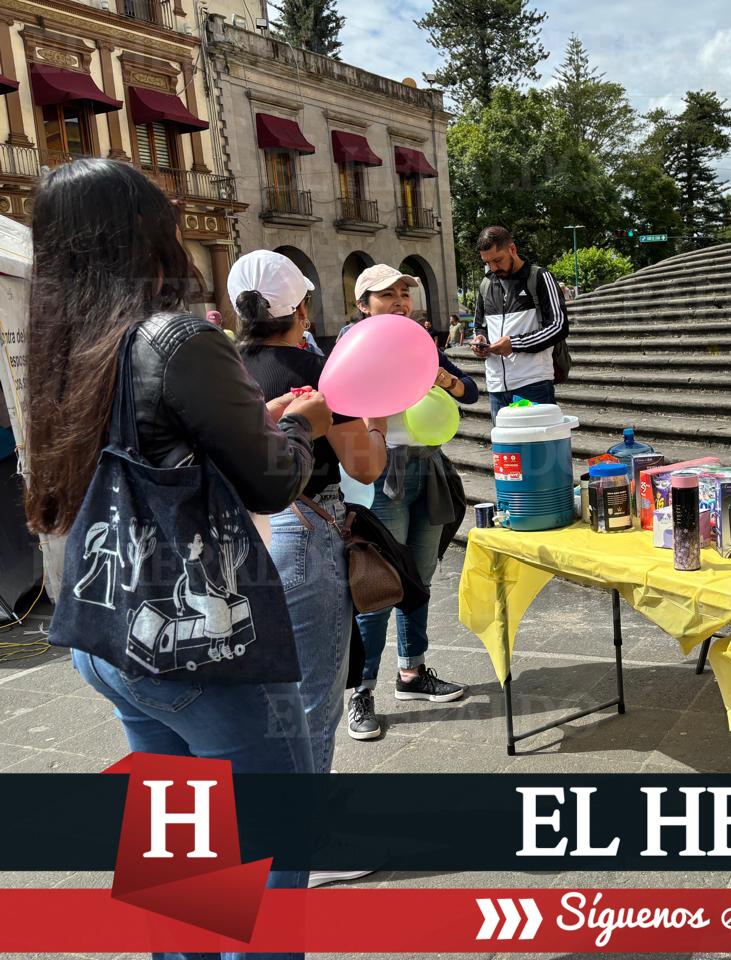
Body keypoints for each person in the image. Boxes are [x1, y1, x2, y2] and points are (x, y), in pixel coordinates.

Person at [24, 158, 330, 959]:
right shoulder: (177, 335)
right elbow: (271, 482)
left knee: (183, 853)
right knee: (269, 857)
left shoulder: (69, 345)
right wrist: (303, 426)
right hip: (202, 645)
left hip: (111, 631)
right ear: (148, 233)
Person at [231, 249, 388, 778]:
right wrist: (378, 421)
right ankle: (305, 842)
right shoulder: (321, 374)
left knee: (253, 693)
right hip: (300, 528)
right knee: (312, 697)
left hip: (227, 537)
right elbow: (364, 467)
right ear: (301, 311)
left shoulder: (218, 372)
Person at [348, 264, 478, 741]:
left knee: (419, 579)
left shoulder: (422, 343)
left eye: (405, 292)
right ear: (363, 304)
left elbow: (470, 391)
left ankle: (412, 672)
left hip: (429, 465)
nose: (401, 301)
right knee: (377, 584)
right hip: (383, 472)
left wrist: (443, 378)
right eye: (388, 294)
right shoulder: (355, 347)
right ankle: (360, 692)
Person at [470, 226, 568, 419]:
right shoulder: (486, 284)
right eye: (488, 263)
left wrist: (514, 344)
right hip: (496, 386)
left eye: (497, 260)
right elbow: (480, 325)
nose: (494, 268)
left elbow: (559, 326)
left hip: (533, 383)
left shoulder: (539, 277)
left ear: (512, 249)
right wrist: (479, 339)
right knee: (507, 449)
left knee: (538, 448)